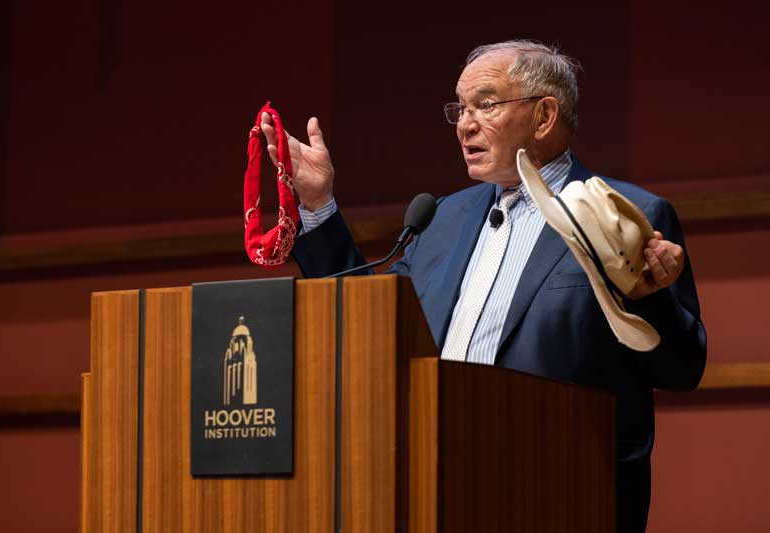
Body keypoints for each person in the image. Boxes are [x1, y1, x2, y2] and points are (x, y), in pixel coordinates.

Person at [258, 39, 706, 533]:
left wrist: (650, 298)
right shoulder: (443, 217)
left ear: (544, 116)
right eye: (461, 108)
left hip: (563, 497)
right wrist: (318, 206)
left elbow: (683, 367)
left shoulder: (624, 214)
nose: (465, 124)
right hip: (433, 488)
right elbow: (377, 320)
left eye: (486, 105)